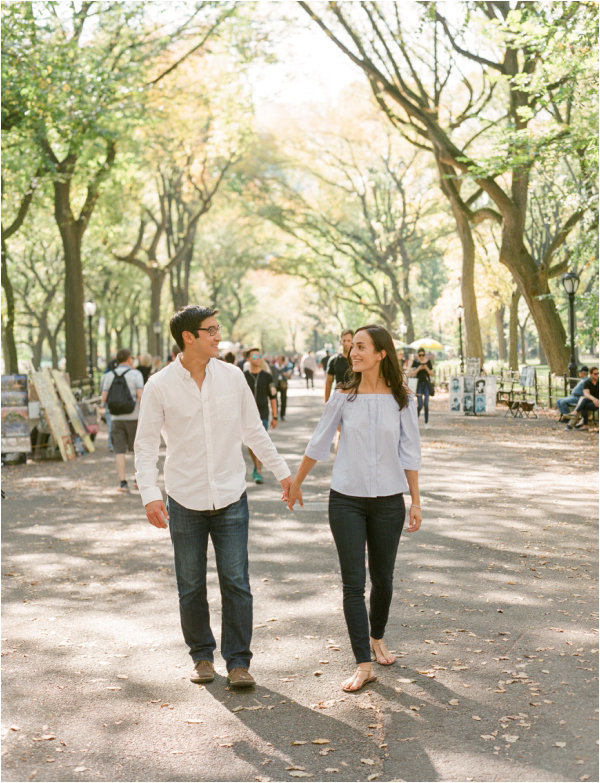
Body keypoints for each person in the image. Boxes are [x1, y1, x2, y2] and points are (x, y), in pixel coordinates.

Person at [134, 306, 291, 690]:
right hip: (184, 498)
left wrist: (284, 473)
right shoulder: (160, 385)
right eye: (211, 331)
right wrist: (149, 495)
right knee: (190, 584)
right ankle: (202, 656)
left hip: (231, 495)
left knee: (237, 582)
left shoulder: (232, 377)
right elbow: (145, 445)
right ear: (188, 337)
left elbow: (254, 431)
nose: (218, 336)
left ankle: (238, 662)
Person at [287, 324, 422, 694]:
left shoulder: (402, 400)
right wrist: (296, 481)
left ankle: (377, 637)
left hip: (389, 502)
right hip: (345, 499)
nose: (353, 353)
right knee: (352, 584)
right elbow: (319, 442)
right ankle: (363, 663)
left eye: (361, 347)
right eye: (352, 348)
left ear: (381, 353)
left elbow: (409, 451)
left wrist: (415, 500)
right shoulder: (343, 397)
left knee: (384, 579)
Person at [100, 348, 144, 492]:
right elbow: (140, 396)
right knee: (136, 450)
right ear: (129, 359)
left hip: (116, 418)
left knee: (119, 450)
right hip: (134, 417)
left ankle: (122, 483)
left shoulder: (108, 376)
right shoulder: (136, 374)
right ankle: (138, 480)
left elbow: (103, 399)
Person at [244, 347, 279, 484]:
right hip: (247, 416)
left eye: (259, 356)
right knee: (251, 445)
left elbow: (273, 397)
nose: (257, 358)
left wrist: (275, 416)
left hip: (263, 415)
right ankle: (256, 466)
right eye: (254, 356)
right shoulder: (244, 376)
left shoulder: (267, 376)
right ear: (248, 359)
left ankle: (258, 471)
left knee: (259, 443)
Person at [325, 329, 354, 403]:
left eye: (349, 340)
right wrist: (326, 401)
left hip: (354, 397)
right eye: (344, 341)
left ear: (353, 341)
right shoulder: (334, 360)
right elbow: (328, 382)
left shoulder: (357, 360)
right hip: (338, 398)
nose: (346, 343)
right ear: (341, 341)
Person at [409, 349, 434, 427]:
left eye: (423, 355)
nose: (421, 357)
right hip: (419, 384)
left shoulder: (428, 362)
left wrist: (426, 368)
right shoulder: (415, 362)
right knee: (420, 404)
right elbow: (412, 374)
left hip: (426, 384)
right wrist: (419, 368)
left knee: (426, 404)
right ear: (418, 355)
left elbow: (432, 374)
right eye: (420, 355)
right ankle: (415, 419)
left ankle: (426, 422)